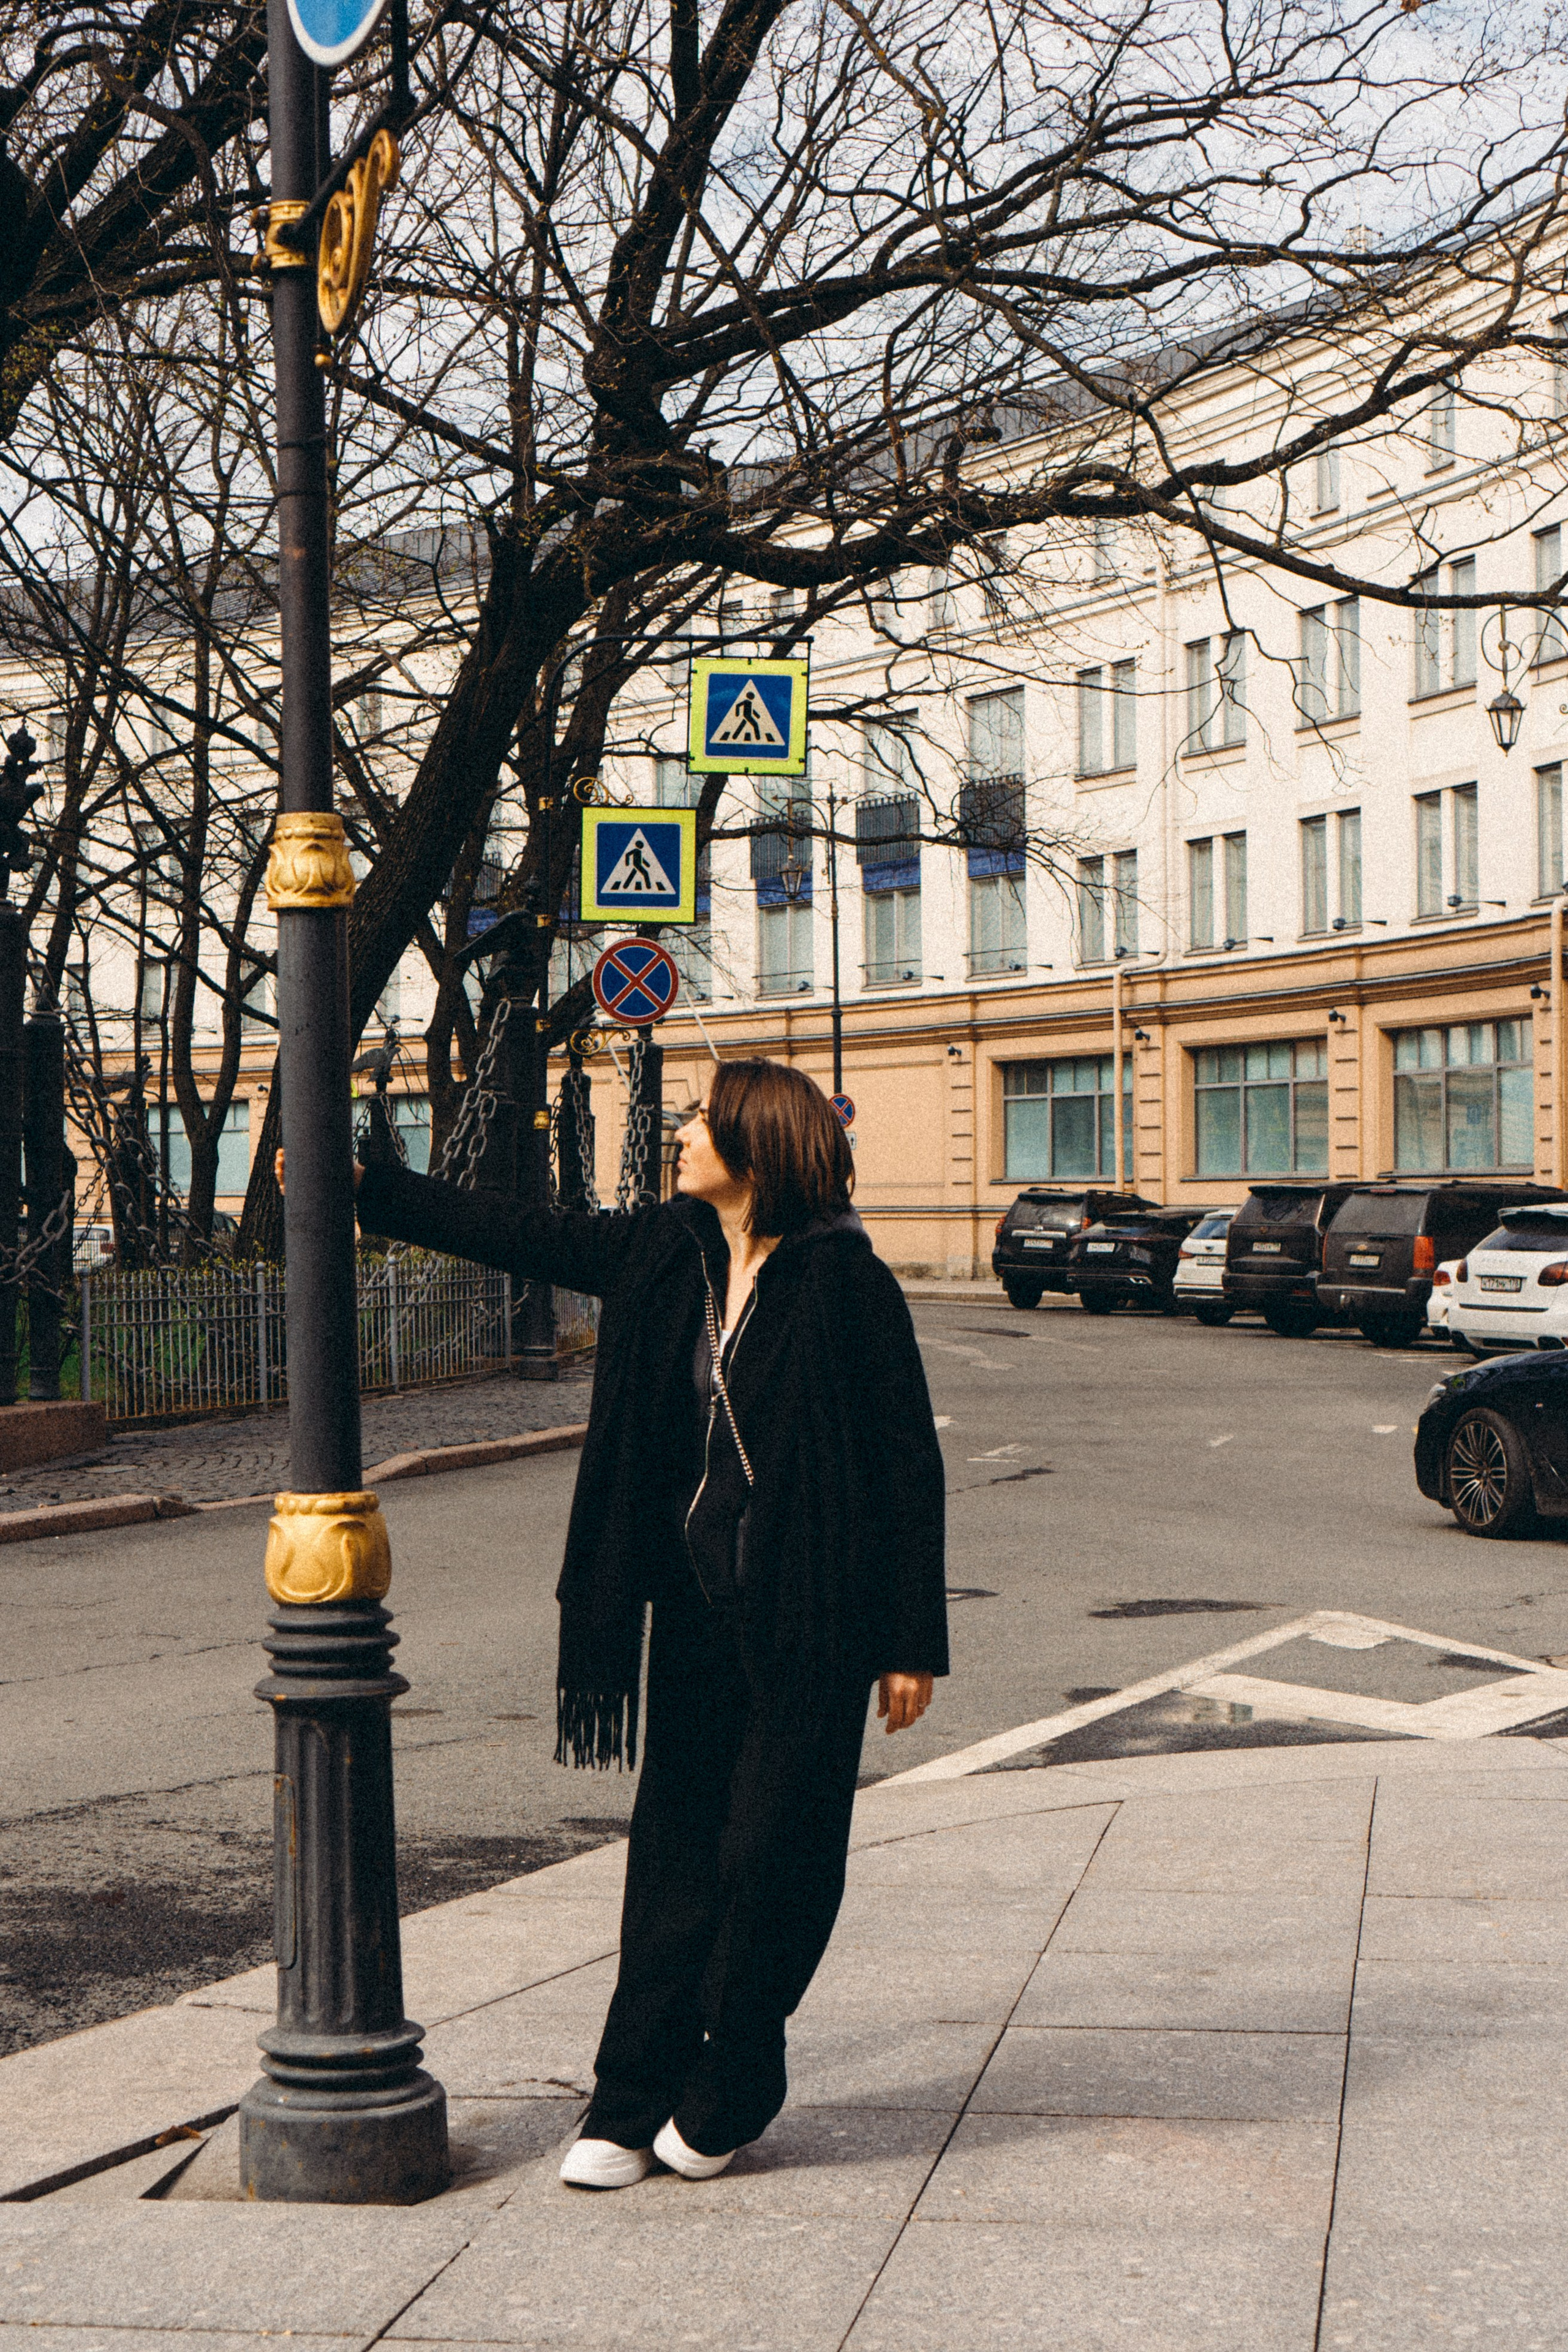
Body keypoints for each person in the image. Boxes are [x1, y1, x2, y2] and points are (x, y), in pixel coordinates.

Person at [298, 1055, 948, 2186]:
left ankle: (738, 2071)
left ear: (756, 1154)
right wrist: (376, 1187)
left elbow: (907, 1468)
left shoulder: (848, 1285)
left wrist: (909, 1642)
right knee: (675, 1859)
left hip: (813, 1625)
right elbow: (532, 1233)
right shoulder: (667, 1254)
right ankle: (629, 2091)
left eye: (701, 1121)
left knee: (774, 1858)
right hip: (692, 1613)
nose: (681, 1135)